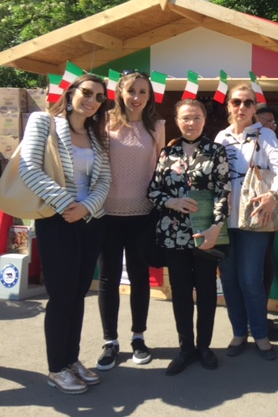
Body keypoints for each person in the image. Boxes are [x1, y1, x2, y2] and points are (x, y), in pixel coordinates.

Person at [19, 74, 111, 394]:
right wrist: (65, 203)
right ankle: (57, 367)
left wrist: (86, 208)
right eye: (87, 92)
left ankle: (71, 360)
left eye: (99, 97)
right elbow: (28, 168)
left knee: (78, 294)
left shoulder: (96, 135)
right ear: (72, 92)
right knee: (61, 297)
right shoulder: (43, 121)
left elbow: (104, 181)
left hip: (89, 220)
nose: (92, 100)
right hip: (56, 220)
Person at [147, 98, 230, 376]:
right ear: (177, 120)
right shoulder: (166, 154)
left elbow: (223, 191)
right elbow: (154, 191)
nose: (190, 123)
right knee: (181, 293)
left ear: (204, 120)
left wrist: (216, 228)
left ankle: (204, 347)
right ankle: (186, 348)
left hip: (205, 233)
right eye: (185, 118)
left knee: (206, 292)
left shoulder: (216, 151)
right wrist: (172, 202)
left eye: (196, 117)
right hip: (174, 235)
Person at [215, 85, 278, 361]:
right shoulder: (220, 137)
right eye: (236, 101)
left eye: (248, 102)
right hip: (224, 220)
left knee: (251, 280)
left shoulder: (266, 134)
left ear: (254, 107)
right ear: (229, 105)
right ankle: (239, 333)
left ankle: (260, 335)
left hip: (254, 219)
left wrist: (273, 195)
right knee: (230, 280)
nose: (242, 107)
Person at [96, 71, 165, 370]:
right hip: (106, 213)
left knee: (140, 279)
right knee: (109, 280)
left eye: (143, 92)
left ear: (149, 96)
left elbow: (160, 169)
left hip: (143, 214)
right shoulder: (103, 123)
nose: (137, 98)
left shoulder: (157, 126)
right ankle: (110, 341)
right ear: (120, 93)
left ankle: (138, 336)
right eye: (131, 91)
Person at [255, 105, 278, 341]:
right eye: (270, 121)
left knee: (265, 267)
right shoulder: (227, 137)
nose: (273, 126)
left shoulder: (268, 139)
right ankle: (255, 320)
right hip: (251, 214)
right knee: (258, 271)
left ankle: (259, 317)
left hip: (265, 211)